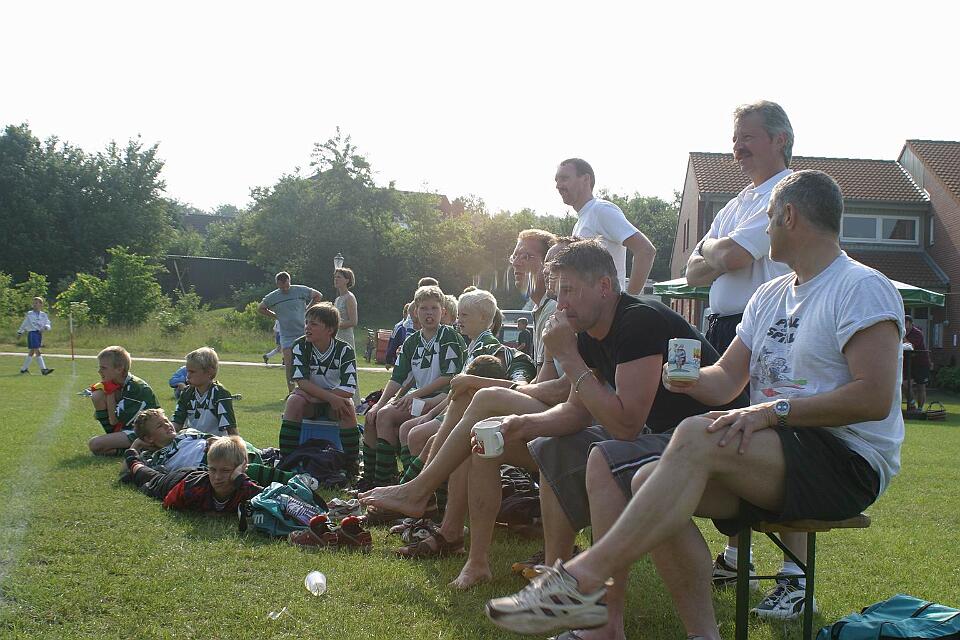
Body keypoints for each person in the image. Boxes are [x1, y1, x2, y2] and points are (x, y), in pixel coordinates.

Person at [485, 170, 906, 639]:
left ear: (789, 216)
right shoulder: (769, 296)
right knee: (646, 480)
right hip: (771, 450)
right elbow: (725, 381)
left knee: (690, 435)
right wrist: (686, 379)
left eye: (768, 217)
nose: (765, 229)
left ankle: (582, 578)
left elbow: (873, 397)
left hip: (844, 460)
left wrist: (771, 412)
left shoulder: (860, 287)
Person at [684, 100, 798, 587]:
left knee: (775, 439)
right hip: (721, 329)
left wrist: (715, 248)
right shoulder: (736, 204)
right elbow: (692, 271)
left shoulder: (787, 192)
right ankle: (737, 557)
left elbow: (727, 256)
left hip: (772, 328)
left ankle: (794, 571)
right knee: (725, 434)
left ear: (779, 140)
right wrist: (721, 250)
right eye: (735, 139)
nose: (738, 148)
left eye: (747, 137)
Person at [359, 285, 466, 489]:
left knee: (389, 418)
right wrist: (379, 404)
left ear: (443, 311)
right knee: (377, 415)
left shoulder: (449, 336)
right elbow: (397, 378)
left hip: (442, 399)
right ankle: (378, 478)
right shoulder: (411, 342)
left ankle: (398, 483)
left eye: (434, 308)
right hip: (419, 398)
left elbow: (448, 378)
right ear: (415, 311)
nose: (429, 313)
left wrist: (414, 394)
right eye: (424, 308)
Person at [279, 302, 360, 473]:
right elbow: (301, 382)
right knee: (293, 401)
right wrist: (329, 397)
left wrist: (317, 397)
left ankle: (351, 464)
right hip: (312, 403)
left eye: (314, 324)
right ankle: (287, 461)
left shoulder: (345, 350)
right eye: (306, 322)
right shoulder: (300, 345)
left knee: (347, 406)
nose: (307, 327)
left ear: (330, 329)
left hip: (329, 403)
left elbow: (349, 388)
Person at [556, 158, 656, 294]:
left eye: (564, 178)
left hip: (609, 306)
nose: (558, 185)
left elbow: (645, 250)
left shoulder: (601, 210)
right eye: (556, 180)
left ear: (586, 179)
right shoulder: (581, 221)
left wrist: (629, 301)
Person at [124, 432, 262, 513]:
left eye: (225, 471)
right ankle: (132, 458)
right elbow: (168, 502)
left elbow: (264, 498)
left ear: (240, 468)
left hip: (196, 475)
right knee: (148, 478)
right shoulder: (193, 487)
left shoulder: (243, 486)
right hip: (179, 479)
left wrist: (240, 478)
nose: (217, 477)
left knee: (155, 474)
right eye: (213, 469)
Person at [87, 346, 160, 456]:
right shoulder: (119, 383)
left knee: (95, 444)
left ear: (119, 369)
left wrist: (110, 393)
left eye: (103, 368)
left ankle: (142, 449)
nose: (99, 371)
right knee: (97, 395)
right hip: (129, 428)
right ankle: (128, 446)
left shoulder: (135, 387)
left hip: (146, 432)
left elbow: (113, 421)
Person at [258, 271, 322, 391]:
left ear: (289, 281)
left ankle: (309, 390)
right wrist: (276, 316)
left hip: (303, 332)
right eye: (282, 287)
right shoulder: (273, 296)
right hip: (286, 335)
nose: (285, 289)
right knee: (289, 364)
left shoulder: (299, 290)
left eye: (287, 286)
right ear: (277, 284)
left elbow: (318, 295)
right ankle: (291, 391)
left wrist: (308, 310)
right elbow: (261, 308)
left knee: (307, 362)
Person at [510, 229, 557, 369]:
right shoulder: (541, 306)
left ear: (548, 265)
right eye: (514, 256)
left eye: (526, 257)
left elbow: (544, 380)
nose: (515, 263)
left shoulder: (553, 308)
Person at [171, 347, 238, 436]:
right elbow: (177, 423)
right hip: (192, 440)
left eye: (192, 372)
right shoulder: (187, 393)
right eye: (187, 371)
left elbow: (231, 431)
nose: (188, 376)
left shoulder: (220, 394)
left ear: (209, 372)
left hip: (216, 442)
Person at [16, 297, 54, 375]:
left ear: (41, 304)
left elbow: (48, 324)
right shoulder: (30, 314)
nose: (34, 304)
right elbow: (25, 323)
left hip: (39, 334)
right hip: (32, 333)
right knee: (37, 350)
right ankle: (43, 369)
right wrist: (20, 332)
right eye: (34, 303)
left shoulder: (44, 315)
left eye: (36, 303)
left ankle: (23, 369)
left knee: (32, 351)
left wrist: (45, 327)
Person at [902, 315, 931, 409]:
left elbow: (910, 346)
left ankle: (920, 409)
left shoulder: (917, 333)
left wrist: (903, 336)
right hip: (908, 363)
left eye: (905, 322)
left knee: (920, 387)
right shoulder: (901, 332)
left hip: (921, 363)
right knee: (905, 384)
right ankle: (912, 404)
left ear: (910, 323)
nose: (903, 324)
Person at [333, 268, 359, 351]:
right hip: (336, 336)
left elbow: (353, 322)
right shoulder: (337, 299)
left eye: (339, 277)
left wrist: (333, 325)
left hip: (345, 337)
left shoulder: (349, 297)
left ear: (347, 280)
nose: (336, 279)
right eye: (335, 277)